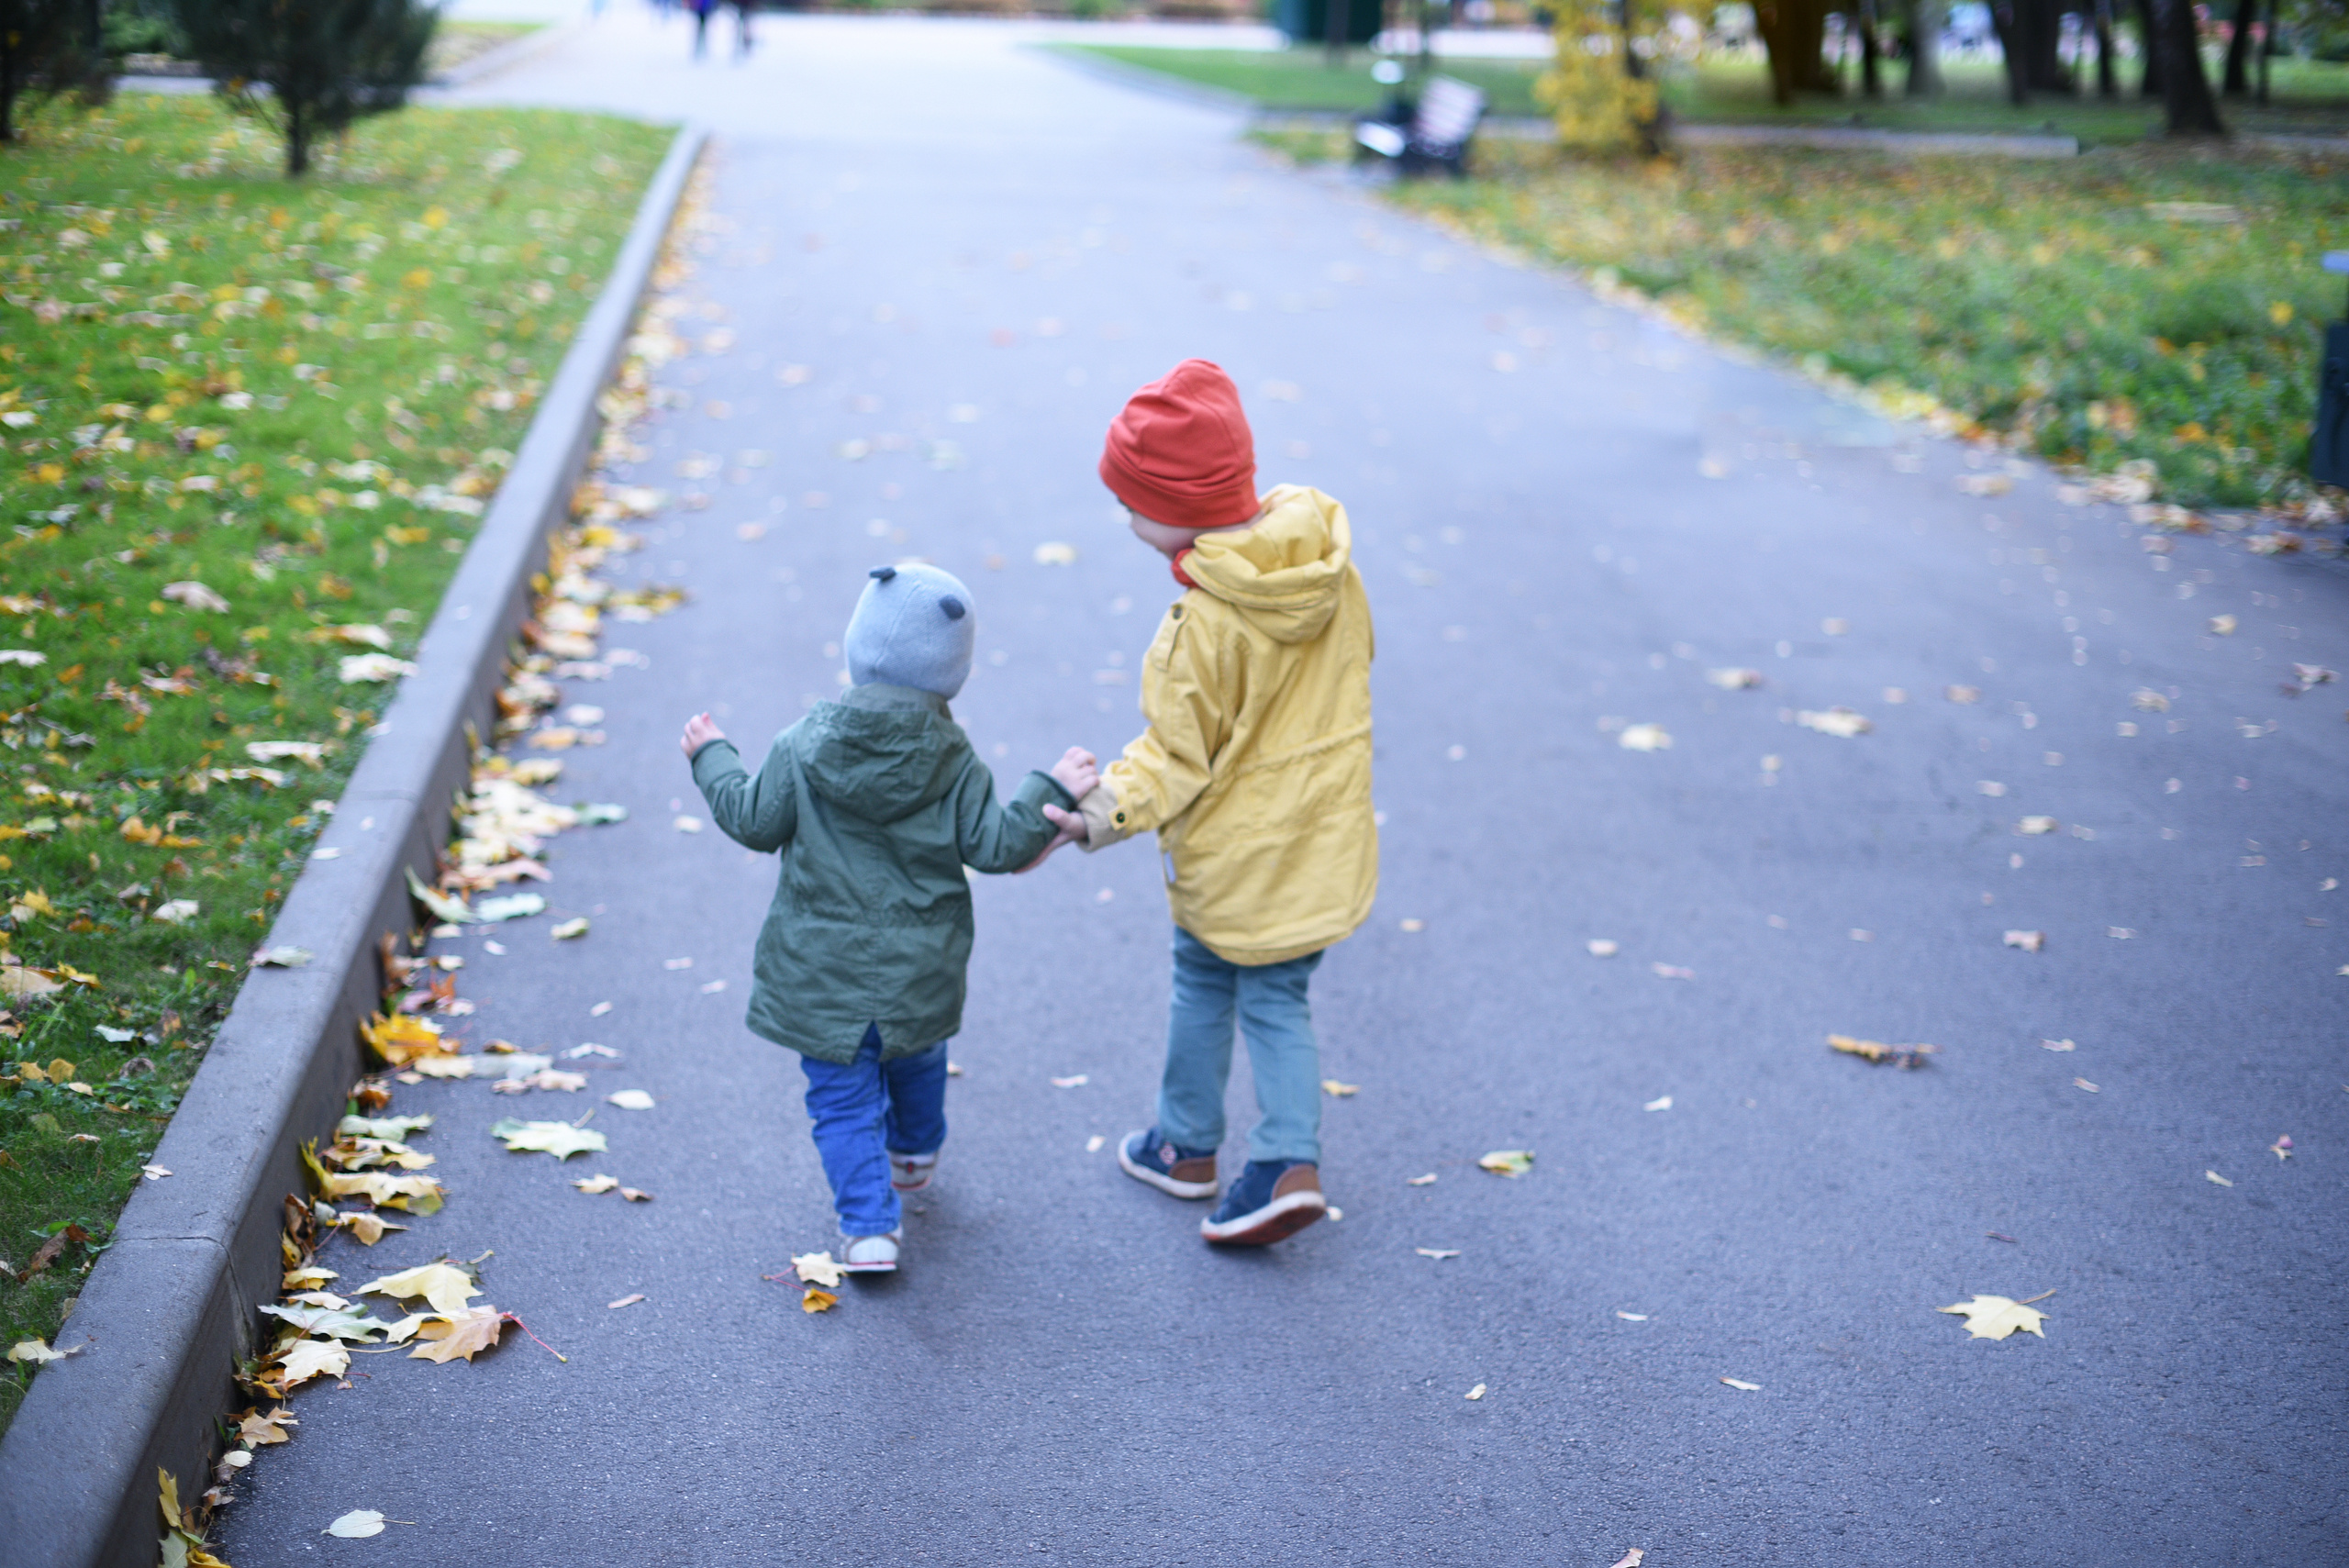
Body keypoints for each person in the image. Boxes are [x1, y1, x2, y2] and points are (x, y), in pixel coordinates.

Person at [1035, 360, 1377, 1248]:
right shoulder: (1324, 566)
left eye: (1130, 502)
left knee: (1208, 979)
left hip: (1237, 851)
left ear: (1175, 504)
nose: (1124, 518)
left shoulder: (1205, 622)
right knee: (1279, 994)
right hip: (1324, 836)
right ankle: (1252, 1153)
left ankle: (1221, 1151)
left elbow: (1174, 758)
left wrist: (1096, 812)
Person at [682, 563, 1096, 1273]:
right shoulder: (954, 758)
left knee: (841, 1100)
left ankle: (870, 1227)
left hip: (820, 973)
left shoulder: (801, 743)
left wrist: (713, 759)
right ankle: (915, 1147)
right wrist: (1048, 788)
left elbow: (752, 820)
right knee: (917, 1053)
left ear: (858, 648)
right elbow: (996, 845)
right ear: (949, 675)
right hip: (919, 965)